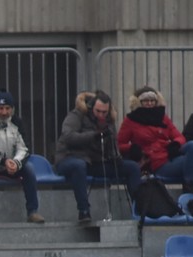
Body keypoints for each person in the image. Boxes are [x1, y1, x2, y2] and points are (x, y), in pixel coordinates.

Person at [54, 90, 142, 224]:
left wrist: (115, 155)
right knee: (79, 166)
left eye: (104, 112)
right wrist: (93, 135)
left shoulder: (109, 121)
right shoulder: (77, 115)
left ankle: (139, 210)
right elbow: (68, 137)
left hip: (95, 162)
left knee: (132, 168)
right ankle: (84, 210)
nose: (101, 115)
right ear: (91, 107)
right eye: (98, 111)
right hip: (69, 158)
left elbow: (113, 143)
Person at [118, 86, 193, 195]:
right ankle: (189, 187)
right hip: (156, 162)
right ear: (138, 102)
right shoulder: (130, 121)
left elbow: (180, 137)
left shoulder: (163, 117)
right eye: (146, 101)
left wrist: (176, 144)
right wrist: (132, 148)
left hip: (168, 156)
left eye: (152, 100)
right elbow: (120, 144)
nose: (150, 103)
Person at [0, 91, 45, 224]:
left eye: (7, 108)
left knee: (29, 168)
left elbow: (24, 148)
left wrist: (16, 163)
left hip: (12, 164)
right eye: (0, 108)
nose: (4, 112)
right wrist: (2, 161)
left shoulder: (18, 122)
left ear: (12, 109)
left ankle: (32, 211)